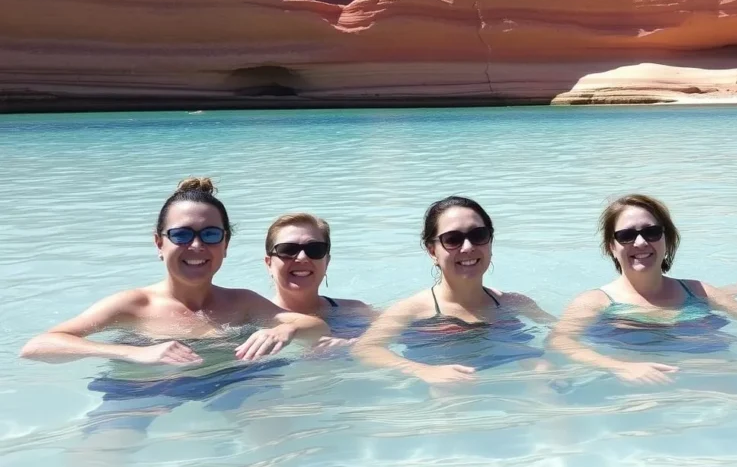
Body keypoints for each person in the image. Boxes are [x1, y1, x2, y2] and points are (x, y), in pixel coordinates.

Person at [19, 177, 328, 435]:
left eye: (210, 234)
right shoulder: (133, 305)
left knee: (280, 442)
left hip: (233, 381)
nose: (196, 246)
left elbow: (316, 327)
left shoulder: (242, 302)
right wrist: (136, 353)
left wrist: (285, 329)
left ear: (225, 245)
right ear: (159, 243)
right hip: (144, 388)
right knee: (101, 453)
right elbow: (38, 346)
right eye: (181, 234)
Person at [549, 194, 737, 386]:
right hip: (641, 395)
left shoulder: (698, 291)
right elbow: (560, 340)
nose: (640, 242)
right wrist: (619, 366)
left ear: (667, 239)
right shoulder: (596, 302)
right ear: (611, 247)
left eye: (652, 232)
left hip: (715, 387)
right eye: (626, 235)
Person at [351, 196, 555, 385]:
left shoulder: (515, 303)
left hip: (513, 378)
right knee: (449, 388)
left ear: (490, 242)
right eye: (452, 239)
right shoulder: (411, 311)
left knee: (544, 371)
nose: (467, 247)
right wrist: (422, 371)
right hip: (449, 388)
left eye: (479, 235)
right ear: (432, 251)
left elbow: (562, 332)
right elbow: (366, 348)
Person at [265, 212, 376, 346]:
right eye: (288, 249)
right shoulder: (250, 321)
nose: (302, 258)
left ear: (327, 261)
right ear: (269, 263)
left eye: (315, 249)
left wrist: (352, 345)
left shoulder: (357, 311)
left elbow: (405, 335)